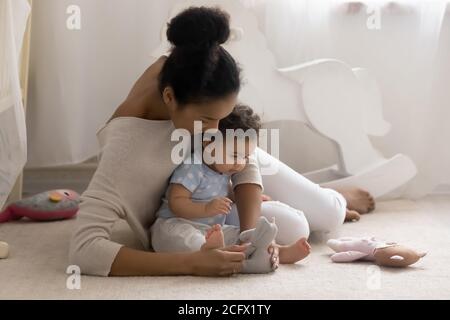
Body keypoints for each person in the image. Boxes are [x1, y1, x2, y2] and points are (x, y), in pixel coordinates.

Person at [69, 6, 374, 277]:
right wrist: (190, 263)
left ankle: (331, 196)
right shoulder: (126, 148)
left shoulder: (200, 73)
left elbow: (244, 157)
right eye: (206, 121)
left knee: (328, 215)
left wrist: (250, 234)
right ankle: (307, 191)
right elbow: (84, 250)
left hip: (224, 172)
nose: (215, 130)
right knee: (298, 226)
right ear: (169, 98)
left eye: (222, 118)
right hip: (187, 214)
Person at [151, 104, 311, 267]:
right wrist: (206, 209)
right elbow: (176, 201)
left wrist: (236, 198)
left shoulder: (223, 170)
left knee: (243, 236)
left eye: (245, 157)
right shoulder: (193, 166)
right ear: (209, 143)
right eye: (235, 155)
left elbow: (223, 191)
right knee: (190, 241)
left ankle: (275, 251)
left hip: (209, 230)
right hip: (175, 225)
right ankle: (228, 255)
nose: (239, 164)